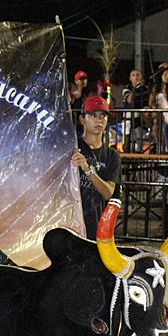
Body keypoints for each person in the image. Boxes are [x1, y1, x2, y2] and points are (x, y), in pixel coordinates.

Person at [71, 95, 121, 240]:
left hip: (97, 228)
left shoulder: (112, 156)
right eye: (93, 115)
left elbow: (108, 193)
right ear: (82, 119)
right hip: (70, 226)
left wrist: (88, 169)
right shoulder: (72, 148)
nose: (99, 120)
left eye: (102, 116)